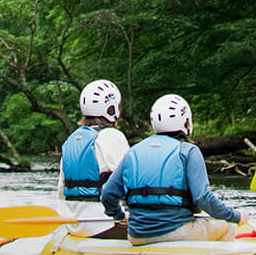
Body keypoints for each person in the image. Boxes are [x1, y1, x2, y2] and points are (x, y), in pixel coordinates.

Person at [101, 94, 246, 245]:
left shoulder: (133, 151)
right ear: (186, 121)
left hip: (137, 235)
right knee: (227, 225)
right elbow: (203, 198)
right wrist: (235, 216)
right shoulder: (188, 151)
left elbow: (107, 194)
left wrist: (118, 215)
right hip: (178, 233)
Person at [57, 80, 131, 221]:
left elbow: (61, 192)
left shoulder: (72, 140)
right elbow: (129, 182)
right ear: (111, 109)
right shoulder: (112, 135)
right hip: (102, 221)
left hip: (71, 221)